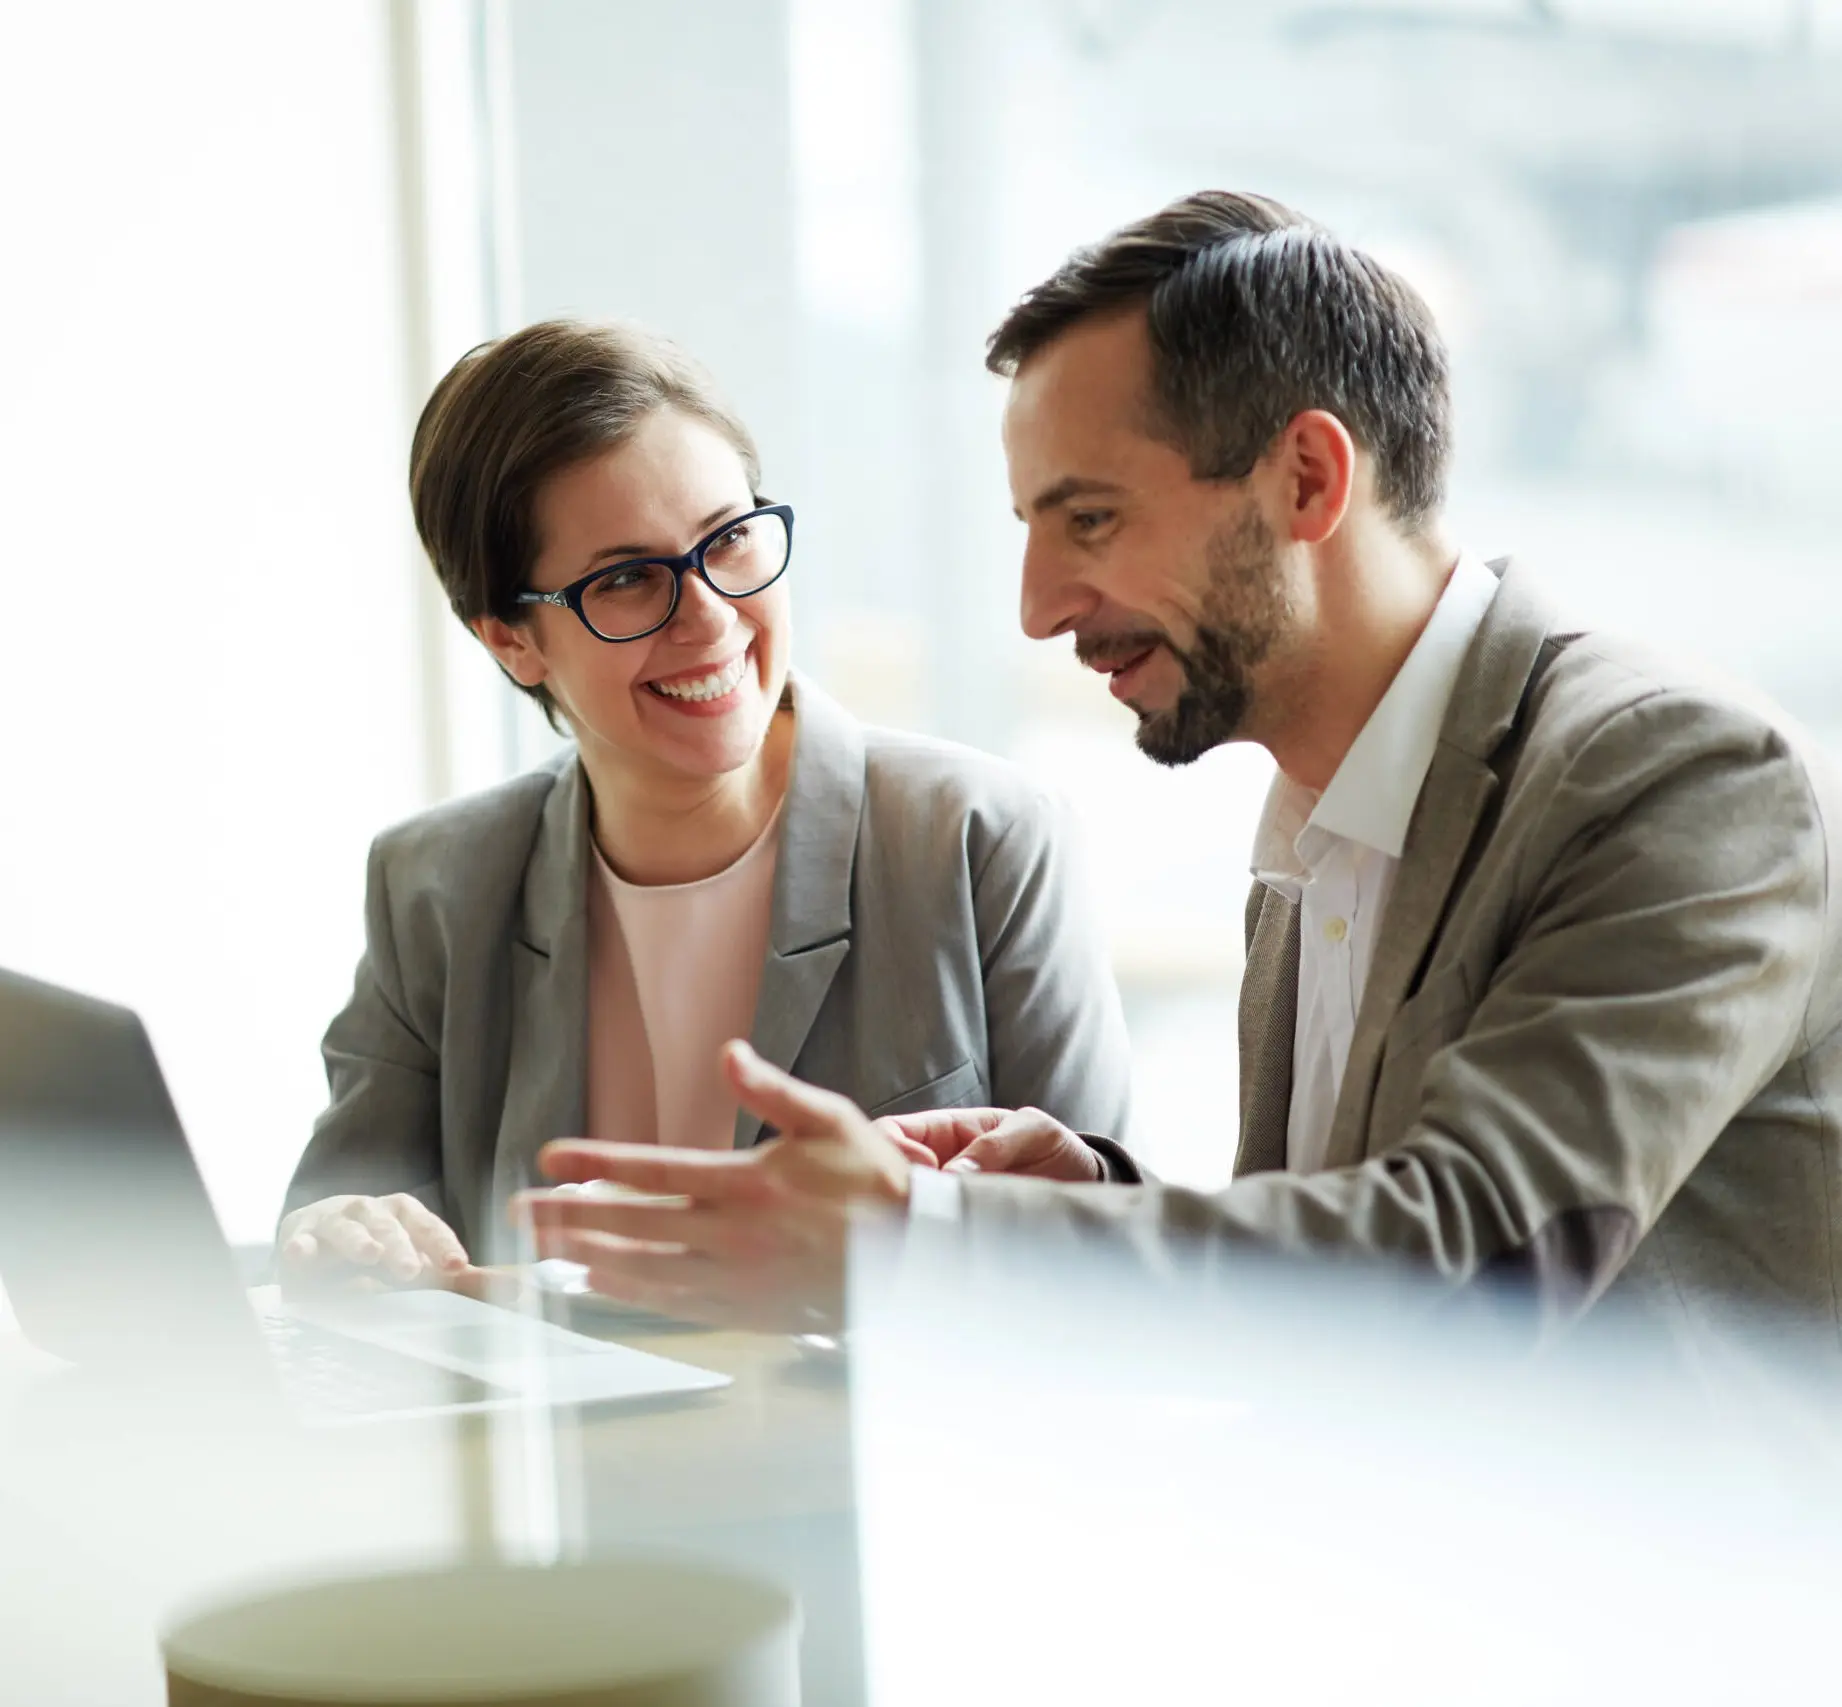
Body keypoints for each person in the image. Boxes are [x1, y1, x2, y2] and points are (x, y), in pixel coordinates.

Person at [521, 191, 1842, 1366]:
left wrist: (930, 1237)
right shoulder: (1321, 816)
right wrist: (1089, 1193)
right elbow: (1332, 1274)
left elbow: (1479, 1258)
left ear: (1309, 478)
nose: (1039, 607)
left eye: (1089, 518)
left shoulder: (1676, 775)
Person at [278, 319, 1135, 1290]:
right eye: (630, 580)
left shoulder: (978, 839)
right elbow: (337, 1227)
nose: (712, 618)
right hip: (558, 1441)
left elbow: (1107, 1259)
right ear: (511, 642)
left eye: (727, 541)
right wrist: (346, 1236)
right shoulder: (434, 885)